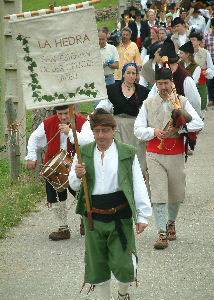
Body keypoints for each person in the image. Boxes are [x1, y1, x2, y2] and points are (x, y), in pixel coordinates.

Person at [68, 109, 152, 300]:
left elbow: (137, 184)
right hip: (93, 218)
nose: (101, 135)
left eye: (105, 130)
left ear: (113, 130)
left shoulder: (126, 153)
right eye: (96, 131)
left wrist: (143, 215)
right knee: (97, 265)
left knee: (124, 264)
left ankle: (123, 294)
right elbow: (72, 184)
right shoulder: (83, 153)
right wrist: (77, 175)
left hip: (119, 217)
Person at [134, 67, 204, 250]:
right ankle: (161, 232)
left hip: (176, 154)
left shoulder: (181, 102)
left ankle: (171, 221)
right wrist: (153, 131)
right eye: (160, 84)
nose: (163, 87)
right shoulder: (148, 103)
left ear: (172, 83)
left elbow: (198, 122)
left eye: (166, 83)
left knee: (176, 193)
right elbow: (138, 129)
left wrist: (180, 128)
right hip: (154, 153)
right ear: (156, 84)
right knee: (158, 193)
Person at [26, 105, 93, 240]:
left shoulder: (83, 123)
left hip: (76, 165)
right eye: (60, 113)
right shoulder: (48, 123)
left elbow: (88, 141)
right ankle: (63, 228)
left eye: (66, 113)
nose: (63, 117)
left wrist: (70, 132)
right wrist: (31, 156)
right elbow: (34, 138)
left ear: (72, 110)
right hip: (55, 166)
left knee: (82, 194)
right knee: (55, 197)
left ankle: (86, 221)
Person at [96, 63, 149, 172]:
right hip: (118, 126)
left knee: (137, 155)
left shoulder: (143, 91)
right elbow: (104, 106)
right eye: (128, 73)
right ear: (123, 74)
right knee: (119, 154)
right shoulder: (112, 89)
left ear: (136, 75)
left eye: (133, 73)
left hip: (135, 126)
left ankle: (138, 177)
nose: (131, 76)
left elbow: (147, 110)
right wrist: (96, 114)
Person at [148, 37, 202, 117]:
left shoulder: (185, 78)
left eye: (162, 64)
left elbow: (195, 102)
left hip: (183, 121)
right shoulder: (161, 75)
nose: (161, 66)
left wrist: (192, 120)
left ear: (166, 63)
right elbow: (152, 96)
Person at [189, 31, 214, 111]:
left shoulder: (205, 53)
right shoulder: (185, 52)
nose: (191, 42)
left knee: (202, 106)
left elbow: (211, 68)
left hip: (201, 83)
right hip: (188, 83)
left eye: (194, 40)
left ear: (199, 41)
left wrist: (207, 72)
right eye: (190, 40)